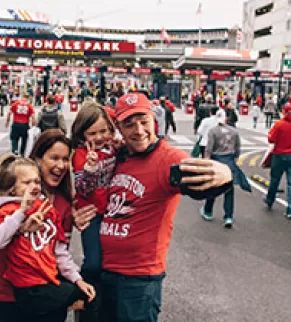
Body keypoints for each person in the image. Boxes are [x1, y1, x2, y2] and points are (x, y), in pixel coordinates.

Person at [74, 92, 233, 322]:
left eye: (144, 122)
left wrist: (225, 175)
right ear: (118, 127)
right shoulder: (116, 155)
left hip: (137, 282)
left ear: (154, 120)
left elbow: (200, 182)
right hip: (101, 275)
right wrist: (73, 212)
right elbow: (77, 186)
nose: (138, 131)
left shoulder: (167, 158)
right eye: (129, 124)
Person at [0, 130, 98, 322]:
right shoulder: (7, 194)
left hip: (43, 298)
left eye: (65, 159)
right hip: (2, 297)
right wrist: (20, 225)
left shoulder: (63, 203)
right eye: (54, 158)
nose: (61, 165)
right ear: (37, 159)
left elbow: (58, 254)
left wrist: (75, 281)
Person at [71, 104, 117, 285]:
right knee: (93, 263)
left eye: (103, 131)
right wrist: (90, 168)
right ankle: (83, 292)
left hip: (111, 211)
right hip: (91, 214)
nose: (99, 137)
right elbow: (83, 189)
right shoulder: (81, 154)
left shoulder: (111, 147)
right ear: (83, 134)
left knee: (110, 261)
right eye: (92, 133)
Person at [200, 109, 251, 228]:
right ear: (226, 119)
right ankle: (228, 216)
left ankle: (208, 211)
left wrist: (206, 161)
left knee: (213, 187)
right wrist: (236, 158)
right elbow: (238, 147)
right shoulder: (234, 131)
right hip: (229, 161)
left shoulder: (213, 131)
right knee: (229, 190)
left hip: (217, 160)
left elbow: (209, 148)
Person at [265, 104, 291, 219]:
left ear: (283, 112)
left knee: (274, 179)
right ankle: (290, 209)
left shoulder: (278, 125)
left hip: (279, 155)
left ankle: (270, 200)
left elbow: (271, 139)